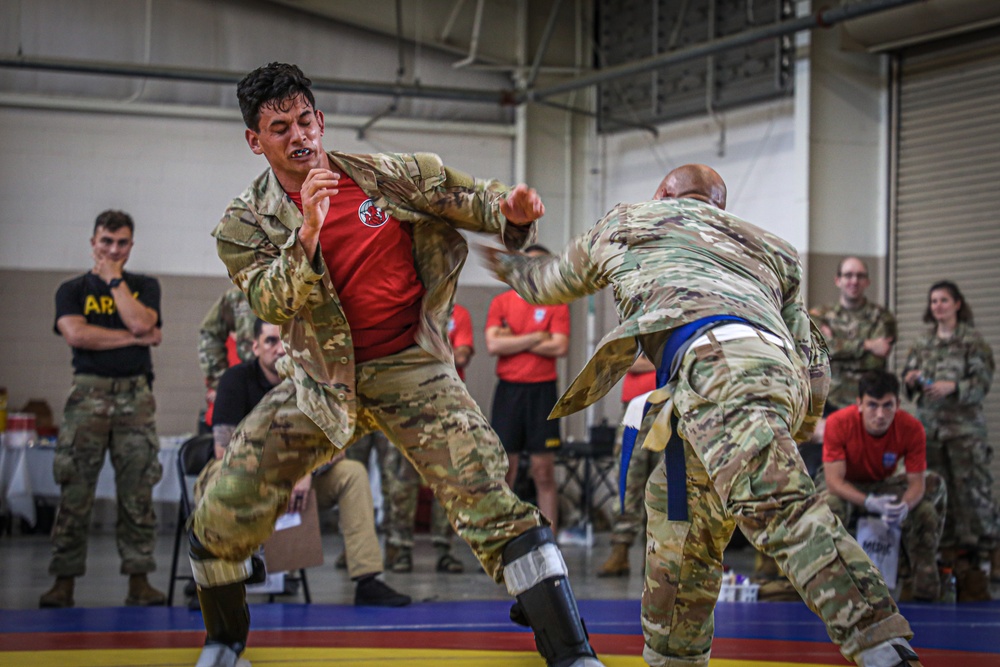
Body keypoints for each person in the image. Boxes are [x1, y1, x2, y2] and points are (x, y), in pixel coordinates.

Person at [187, 62, 604, 667]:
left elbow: (471, 198)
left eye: (305, 120)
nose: (298, 136)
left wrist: (512, 212)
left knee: (487, 491)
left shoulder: (388, 177)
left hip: (410, 364)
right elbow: (271, 302)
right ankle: (224, 644)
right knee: (224, 505)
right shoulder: (243, 225)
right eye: (280, 128)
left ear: (321, 121)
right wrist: (307, 232)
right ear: (256, 140)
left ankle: (572, 653)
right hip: (322, 382)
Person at [484, 164, 924, 667]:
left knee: (777, 503)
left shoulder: (631, 220)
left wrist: (499, 252)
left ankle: (880, 643)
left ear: (663, 193)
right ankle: (674, 657)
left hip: (716, 367)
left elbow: (545, 283)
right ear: (719, 206)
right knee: (681, 529)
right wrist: (798, 424)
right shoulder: (772, 246)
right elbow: (813, 353)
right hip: (758, 373)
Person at [196, 318, 410, 608]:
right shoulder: (236, 380)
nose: (278, 349)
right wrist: (287, 475)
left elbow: (337, 448)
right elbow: (224, 451)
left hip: (299, 484)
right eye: (270, 341)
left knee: (352, 473)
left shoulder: (311, 381)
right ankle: (216, 582)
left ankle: (367, 578)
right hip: (247, 481)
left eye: (284, 342)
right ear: (255, 346)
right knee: (217, 475)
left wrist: (305, 472)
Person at [40, 210, 166, 609]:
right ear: (93, 242)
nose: (113, 250)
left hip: (136, 397)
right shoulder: (71, 289)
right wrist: (134, 338)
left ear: (131, 245)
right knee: (75, 490)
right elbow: (76, 334)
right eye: (106, 242)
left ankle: (139, 580)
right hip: (88, 396)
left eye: (122, 243)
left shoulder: (144, 285)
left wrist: (114, 281)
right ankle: (63, 581)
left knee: (138, 490)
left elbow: (145, 323)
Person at [902, 280, 998, 599]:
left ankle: (988, 557)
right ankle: (951, 559)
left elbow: (982, 383)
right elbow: (909, 385)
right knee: (939, 492)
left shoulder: (972, 341)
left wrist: (953, 387)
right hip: (930, 431)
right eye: (933, 301)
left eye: (944, 300)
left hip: (964, 432)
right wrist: (911, 381)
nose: (938, 306)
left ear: (957, 304)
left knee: (974, 495)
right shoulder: (921, 343)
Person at [814, 371, 946, 601]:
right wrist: (868, 502)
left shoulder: (912, 428)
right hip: (846, 484)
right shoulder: (838, 423)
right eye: (872, 405)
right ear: (859, 404)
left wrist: (903, 506)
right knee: (828, 507)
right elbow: (834, 482)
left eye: (887, 406)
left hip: (881, 484)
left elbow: (917, 484)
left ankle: (920, 583)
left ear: (898, 404)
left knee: (925, 508)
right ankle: (827, 584)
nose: (880, 414)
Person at [383, 302, 477, 574]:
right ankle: (400, 548)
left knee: (448, 479)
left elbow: (461, 356)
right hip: (406, 404)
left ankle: (444, 549)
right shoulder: (403, 312)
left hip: (448, 406)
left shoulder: (459, 313)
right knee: (403, 479)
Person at [486, 245, 570, 531]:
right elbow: (493, 344)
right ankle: (504, 537)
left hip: (542, 393)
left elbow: (559, 346)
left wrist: (515, 339)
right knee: (504, 469)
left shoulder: (557, 304)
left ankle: (550, 539)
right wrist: (537, 336)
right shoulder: (501, 303)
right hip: (509, 392)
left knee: (543, 471)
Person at [597, 354, 659, 577]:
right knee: (628, 478)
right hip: (635, 406)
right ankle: (620, 549)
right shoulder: (636, 322)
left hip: (668, 404)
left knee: (663, 485)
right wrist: (661, 361)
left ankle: (655, 555)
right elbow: (623, 360)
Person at [810, 257, 897, 412]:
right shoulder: (819, 315)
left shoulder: (883, 317)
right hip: (828, 400)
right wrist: (867, 345)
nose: (854, 281)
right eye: (848, 275)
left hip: (869, 401)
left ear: (867, 282)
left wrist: (835, 347)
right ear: (838, 280)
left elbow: (875, 360)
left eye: (860, 276)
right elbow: (818, 350)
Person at [197, 286, 256, 429]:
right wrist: (223, 383)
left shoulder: (314, 285)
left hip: (303, 391)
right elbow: (210, 333)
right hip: (251, 389)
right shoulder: (241, 295)